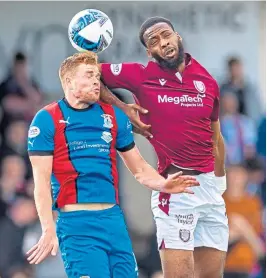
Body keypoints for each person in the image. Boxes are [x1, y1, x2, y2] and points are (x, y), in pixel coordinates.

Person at [26, 52, 199, 278]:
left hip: (113, 220)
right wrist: (48, 228)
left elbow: (138, 168)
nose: (97, 82)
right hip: (78, 225)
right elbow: (41, 183)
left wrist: (163, 184)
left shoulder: (114, 116)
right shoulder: (46, 118)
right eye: (89, 76)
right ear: (68, 81)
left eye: (97, 76)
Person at [99, 17, 229, 278]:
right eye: (154, 41)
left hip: (211, 192)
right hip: (175, 188)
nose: (163, 43)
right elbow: (90, 73)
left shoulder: (207, 81)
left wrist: (220, 179)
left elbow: (216, 137)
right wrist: (122, 107)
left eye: (166, 35)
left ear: (177, 36)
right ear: (149, 52)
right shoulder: (140, 74)